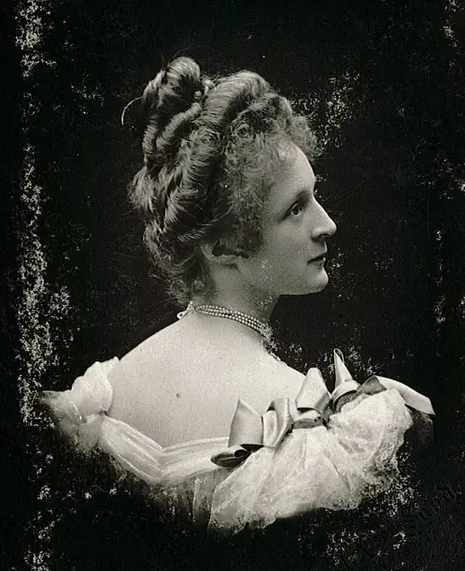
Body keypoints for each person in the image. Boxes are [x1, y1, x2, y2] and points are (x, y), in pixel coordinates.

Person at [42, 56, 435, 533]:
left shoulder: (107, 391)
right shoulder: (298, 422)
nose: (327, 224)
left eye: (314, 196)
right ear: (221, 246)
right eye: (295, 209)